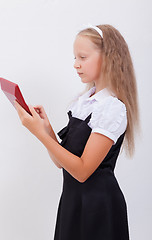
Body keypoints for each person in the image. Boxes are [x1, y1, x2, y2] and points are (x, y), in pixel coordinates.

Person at [14, 23, 140, 240]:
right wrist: (47, 129)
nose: (76, 65)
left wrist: (39, 134)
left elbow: (82, 172)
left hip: (99, 207)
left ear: (108, 57)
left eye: (82, 57)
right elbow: (62, 162)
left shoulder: (112, 107)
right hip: (73, 202)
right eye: (74, 58)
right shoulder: (84, 102)